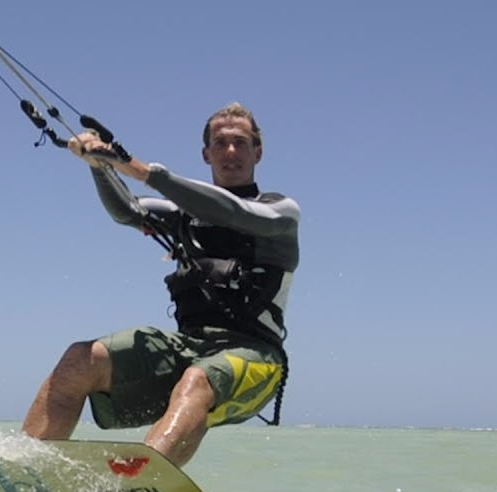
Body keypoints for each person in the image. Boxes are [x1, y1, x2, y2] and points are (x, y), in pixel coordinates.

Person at [21, 102, 300, 467]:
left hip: (257, 359)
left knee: (198, 380)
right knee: (81, 359)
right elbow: (128, 211)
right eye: (220, 143)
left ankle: (137, 482)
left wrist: (142, 170)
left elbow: (235, 212)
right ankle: (27, 469)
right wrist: (100, 167)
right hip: (189, 347)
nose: (230, 151)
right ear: (206, 153)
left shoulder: (281, 211)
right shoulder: (182, 216)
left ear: (257, 152)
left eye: (240, 142)